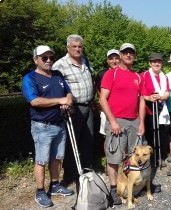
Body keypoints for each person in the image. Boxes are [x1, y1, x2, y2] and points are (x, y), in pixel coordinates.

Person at [22, 45, 74, 208]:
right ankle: (40, 191)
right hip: (42, 127)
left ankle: (55, 185)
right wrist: (60, 101)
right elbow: (34, 101)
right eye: (44, 58)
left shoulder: (57, 75)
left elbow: (68, 92)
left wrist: (68, 100)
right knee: (41, 160)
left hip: (60, 124)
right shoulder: (30, 78)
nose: (49, 60)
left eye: (51, 57)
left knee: (57, 158)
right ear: (35, 59)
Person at [99, 43, 145, 205]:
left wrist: (141, 122)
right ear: (120, 54)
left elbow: (141, 100)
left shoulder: (137, 76)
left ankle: (128, 186)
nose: (128, 55)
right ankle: (113, 189)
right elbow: (102, 98)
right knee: (114, 157)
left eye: (131, 52)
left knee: (131, 156)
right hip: (117, 120)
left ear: (134, 55)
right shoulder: (111, 74)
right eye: (125, 52)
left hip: (134, 121)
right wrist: (112, 122)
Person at [52, 34, 94, 188]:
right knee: (72, 143)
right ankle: (70, 175)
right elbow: (55, 86)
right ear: (67, 48)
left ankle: (87, 170)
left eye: (80, 46)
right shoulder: (60, 65)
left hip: (88, 106)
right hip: (73, 108)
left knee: (88, 140)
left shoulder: (86, 61)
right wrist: (61, 102)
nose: (77, 49)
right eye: (74, 46)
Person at [141, 53, 170, 190]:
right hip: (149, 110)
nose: (157, 64)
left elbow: (167, 92)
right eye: (154, 62)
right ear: (150, 63)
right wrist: (149, 97)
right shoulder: (145, 75)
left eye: (159, 61)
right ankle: (152, 160)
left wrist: (163, 97)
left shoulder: (164, 76)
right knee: (151, 136)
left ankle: (161, 157)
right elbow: (141, 93)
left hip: (161, 108)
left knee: (163, 134)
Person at [95, 49, 120, 136]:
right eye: (111, 59)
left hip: (120, 111)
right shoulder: (101, 74)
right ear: (107, 60)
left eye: (116, 58)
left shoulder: (125, 72)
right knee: (106, 134)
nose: (114, 61)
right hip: (106, 109)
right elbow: (98, 91)